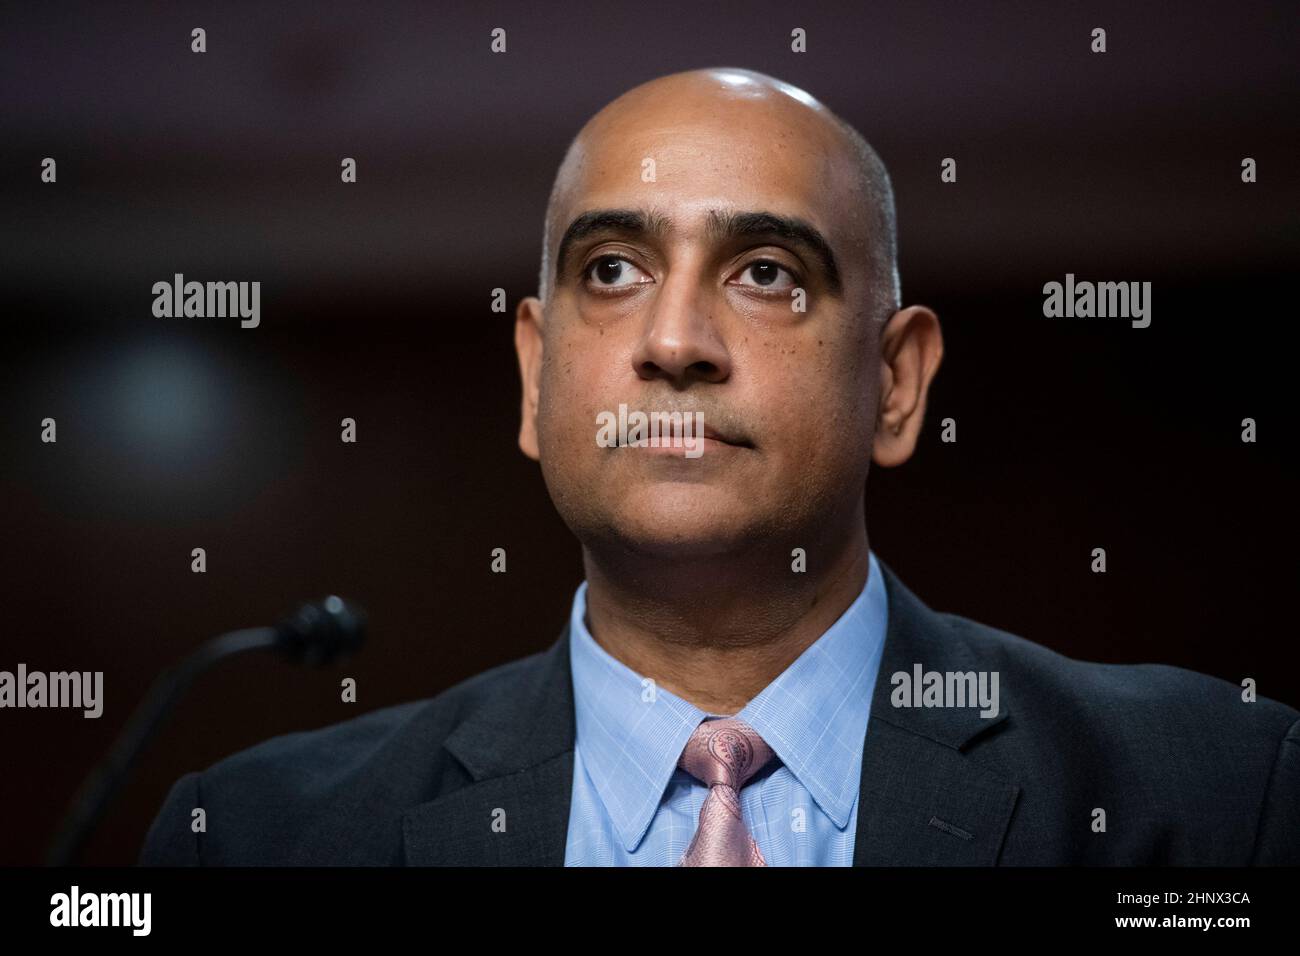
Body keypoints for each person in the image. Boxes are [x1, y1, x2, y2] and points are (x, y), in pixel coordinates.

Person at [140, 67, 1299, 866]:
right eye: (610, 269)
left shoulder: (1219, 793)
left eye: (764, 272)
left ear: (896, 382)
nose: (674, 340)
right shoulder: (257, 834)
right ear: (535, 379)